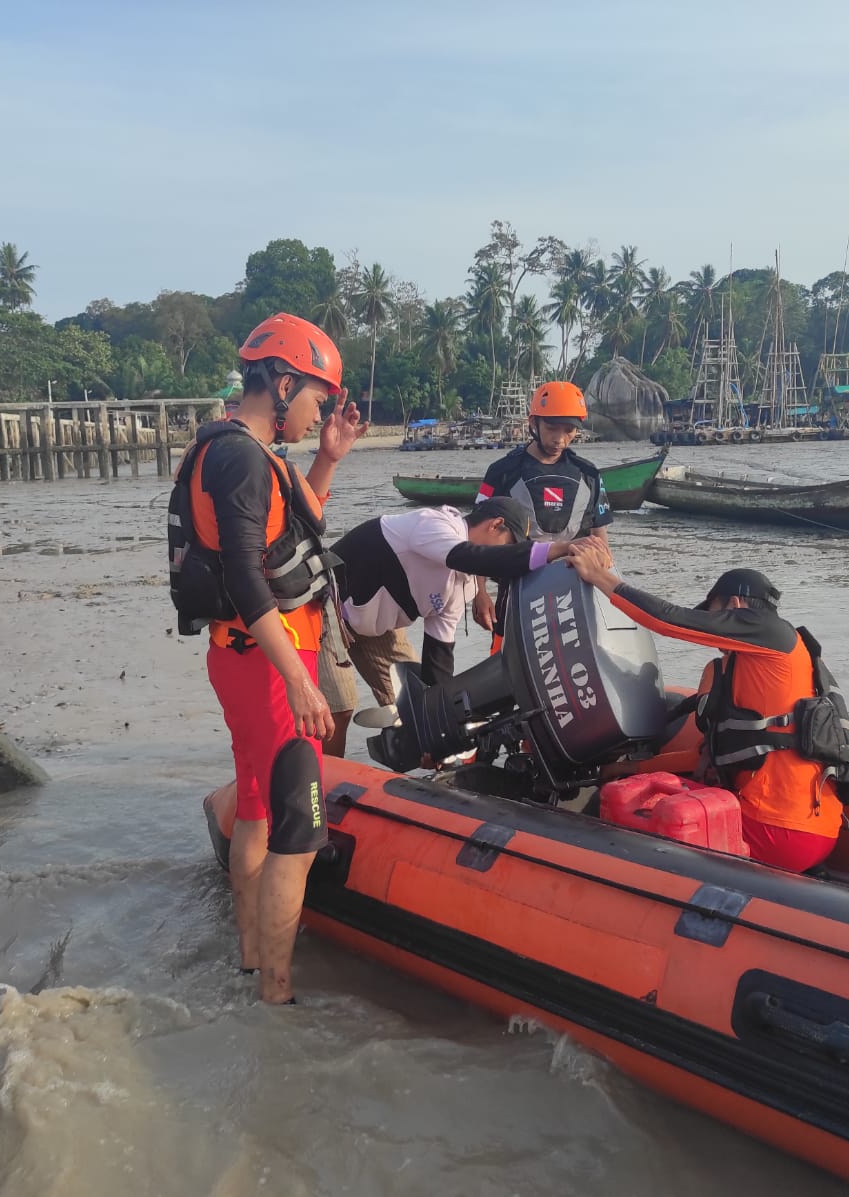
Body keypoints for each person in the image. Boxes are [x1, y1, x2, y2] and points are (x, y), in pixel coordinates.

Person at [168, 312, 364, 1004]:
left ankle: (251, 962)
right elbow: (251, 577)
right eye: (317, 400)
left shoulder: (231, 451)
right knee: (299, 831)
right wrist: (299, 683)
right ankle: (277, 998)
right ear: (283, 382)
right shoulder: (243, 457)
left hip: (245, 658)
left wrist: (331, 457)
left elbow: (291, 525)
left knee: (254, 811)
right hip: (270, 664)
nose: (319, 414)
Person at [567, 547, 849, 873]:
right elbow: (704, 756)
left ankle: (579, 871)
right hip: (819, 833)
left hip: (772, 829)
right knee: (631, 785)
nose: (711, 625)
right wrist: (633, 768)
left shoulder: (769, 631)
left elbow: (666, 620)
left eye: (714, 613)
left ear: (735, 607)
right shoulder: (772, 665)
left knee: (619, 801)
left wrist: (598, 577)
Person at [316, 498, 587, 754]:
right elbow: (469, 556)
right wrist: (558, 549)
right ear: (495, 525)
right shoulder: (434, 524)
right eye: (509, 544)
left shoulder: (462, 584)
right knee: (339, 707)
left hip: (375, 625)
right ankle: (324, 782)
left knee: (416, 707)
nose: (506, 557)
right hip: (324, 607)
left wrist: (439, 733)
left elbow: (439, 656)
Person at [473, 381, 611, 633]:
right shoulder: (501, 472)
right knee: (508, 659)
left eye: (568, 430)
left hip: (574, 589)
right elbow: (477, 539)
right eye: (551, 428)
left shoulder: (589, 475)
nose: (559, 438)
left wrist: (607, 591)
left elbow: (600, 541)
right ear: (533, 423)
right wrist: (479, 592)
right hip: (516, 588)